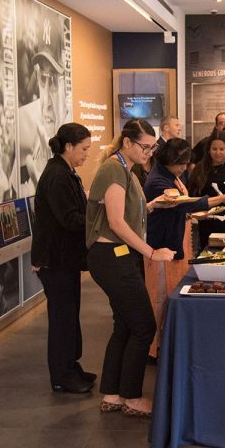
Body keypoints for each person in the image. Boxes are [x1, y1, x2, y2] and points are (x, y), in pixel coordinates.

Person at [86, 118, 174, 417]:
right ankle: (132, 398)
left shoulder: (126, 169)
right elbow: (115, 222)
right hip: (111, 255)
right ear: (127, 142)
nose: (149, 152)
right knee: (143, 325)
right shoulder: (114, 167)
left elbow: (124, 211)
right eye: (145, 147)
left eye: (153, 148)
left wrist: (151, 206)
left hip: (115, 255)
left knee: (124, 324)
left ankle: (112, 395)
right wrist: (152, 252)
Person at [143, 139, 225, 357]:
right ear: (172, 161)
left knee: (171, 292)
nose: (185, 168)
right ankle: (156, 347)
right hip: (161, 243)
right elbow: (186, 203)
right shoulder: (158, 181)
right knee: (159, 296)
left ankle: (169, 341)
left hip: (176, 237)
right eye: (183, 164)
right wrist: (221, 199)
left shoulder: (171, 174)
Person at [32, 123, 96, 393]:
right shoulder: (57, 176)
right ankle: (61, 375)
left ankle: (70, 365)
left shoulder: (66, 172)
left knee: (69, 316)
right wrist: (99, 218)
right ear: (68, 147)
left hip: (65, 259)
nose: (86, 155)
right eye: (83, 149)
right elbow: (70, 219)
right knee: (62, 319)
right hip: (55, 261)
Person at [186, 135, 225, 251]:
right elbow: (192, 193)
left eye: (222, 149)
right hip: (208, 220)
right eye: (214, 149)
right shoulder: (201, 167)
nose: (218, 153)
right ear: (208, 150)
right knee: (208, 252)